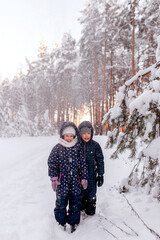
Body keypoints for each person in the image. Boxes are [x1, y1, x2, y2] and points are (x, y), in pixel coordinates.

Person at [48, 121, 88, 233]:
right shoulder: (58, 148)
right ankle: (61, 222)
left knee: (75, 203)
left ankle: (73, 222)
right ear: (62, 136)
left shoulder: (78, 148)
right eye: (67, 136)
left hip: (75, 181)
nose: (69, 138)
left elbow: (83, 164)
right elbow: (52, 163)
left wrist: (84, 178)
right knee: (61, 203)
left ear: (74, 136)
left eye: (71, 136)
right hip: (62, 181)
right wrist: (54, 178)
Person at [78, 121, 104, 216]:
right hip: (79, 176)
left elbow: (100, 160)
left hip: (92, 175)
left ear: (91, 133)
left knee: (91, 193)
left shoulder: (95, 146)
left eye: (88, 133)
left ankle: (90, 207)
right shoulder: (76, 146)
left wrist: (100, 174)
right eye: (84, 133)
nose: (86, 135)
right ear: (79, 134)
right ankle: (81, 206)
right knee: (80, 193)